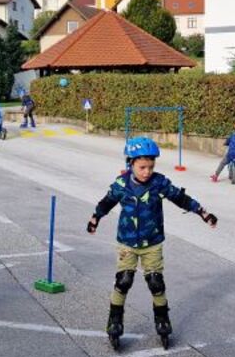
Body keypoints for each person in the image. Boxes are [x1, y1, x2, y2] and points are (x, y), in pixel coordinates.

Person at [87, 137, 217, 342]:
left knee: (156, 283)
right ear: (131, 164)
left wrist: (203, 213)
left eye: (150, 167)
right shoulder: (121, 184)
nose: (147, 172)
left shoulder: (159, 183)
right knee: (123, 281)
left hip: (152, 243)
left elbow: (180, 198)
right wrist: (95, 218)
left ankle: (162, 319)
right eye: (142, 167)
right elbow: (107, 202)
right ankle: (114, 320)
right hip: (127, 243)